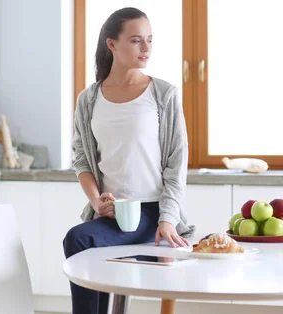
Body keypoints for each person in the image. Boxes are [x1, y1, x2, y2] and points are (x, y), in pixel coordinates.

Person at [62, 7, 196, 314]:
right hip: (112, 215)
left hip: (153, 212)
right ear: (112, 44)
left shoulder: (164, 94)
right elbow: (82, 160)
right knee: (81, 240)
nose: (146, 48)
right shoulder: (89, 99)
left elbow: (177, 162)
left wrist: (167, 219)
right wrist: (96, 202)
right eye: (136, 40)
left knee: (78, 240)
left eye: (149, 39)